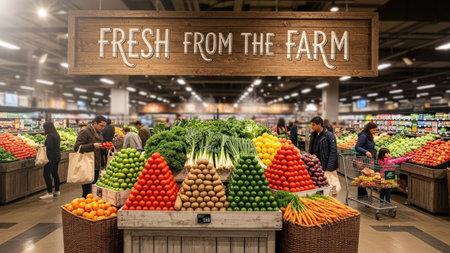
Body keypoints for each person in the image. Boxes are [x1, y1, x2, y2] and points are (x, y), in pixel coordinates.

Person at [74, 115, 109, 198]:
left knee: (93, 190)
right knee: (87, 192)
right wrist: (92, 146)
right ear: (95, 123)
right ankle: (84, 207)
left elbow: (99, 148)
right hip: (87, 166)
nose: (103, 128)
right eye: (101, 126)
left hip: (96, 165)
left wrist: (106, 148)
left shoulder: (99, 133)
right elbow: (76, 147)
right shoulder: (85, 132)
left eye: (104, 126)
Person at [355, 122, 378, 198]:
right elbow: (357, 147)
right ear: (369, 129)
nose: (375, 132)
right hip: (362, 159)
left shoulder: (369, 136)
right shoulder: (363, 136)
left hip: (367, 159)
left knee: (364, 177)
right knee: (362, 177)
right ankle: (362, 195)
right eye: (374, 130)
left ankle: (362, 196)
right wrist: (366, 151)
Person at [40, 122, 61, 199]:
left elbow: (49, 147)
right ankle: (57, 191)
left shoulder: (50, 136)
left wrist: (42, 146)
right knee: (55, 173)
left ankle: (49, 193)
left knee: (46, 174)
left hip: (50, 157)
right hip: (57, 155)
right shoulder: (56, 134)